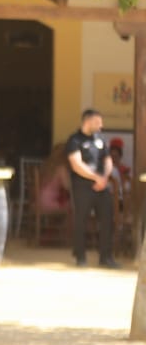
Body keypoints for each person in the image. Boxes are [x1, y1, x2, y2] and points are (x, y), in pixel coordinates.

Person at [65, 109, 115, 268]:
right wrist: (95, 177)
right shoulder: (74, 140)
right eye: (97, 122)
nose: (101, 125)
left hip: (102, 186)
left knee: (107, 219)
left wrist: (105, 177)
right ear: (87, 121)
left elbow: (108, 160)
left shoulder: (101, 139)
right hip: (83, 186)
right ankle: (80, 256)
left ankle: (106, 257)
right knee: (81, 220)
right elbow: (76, 164)